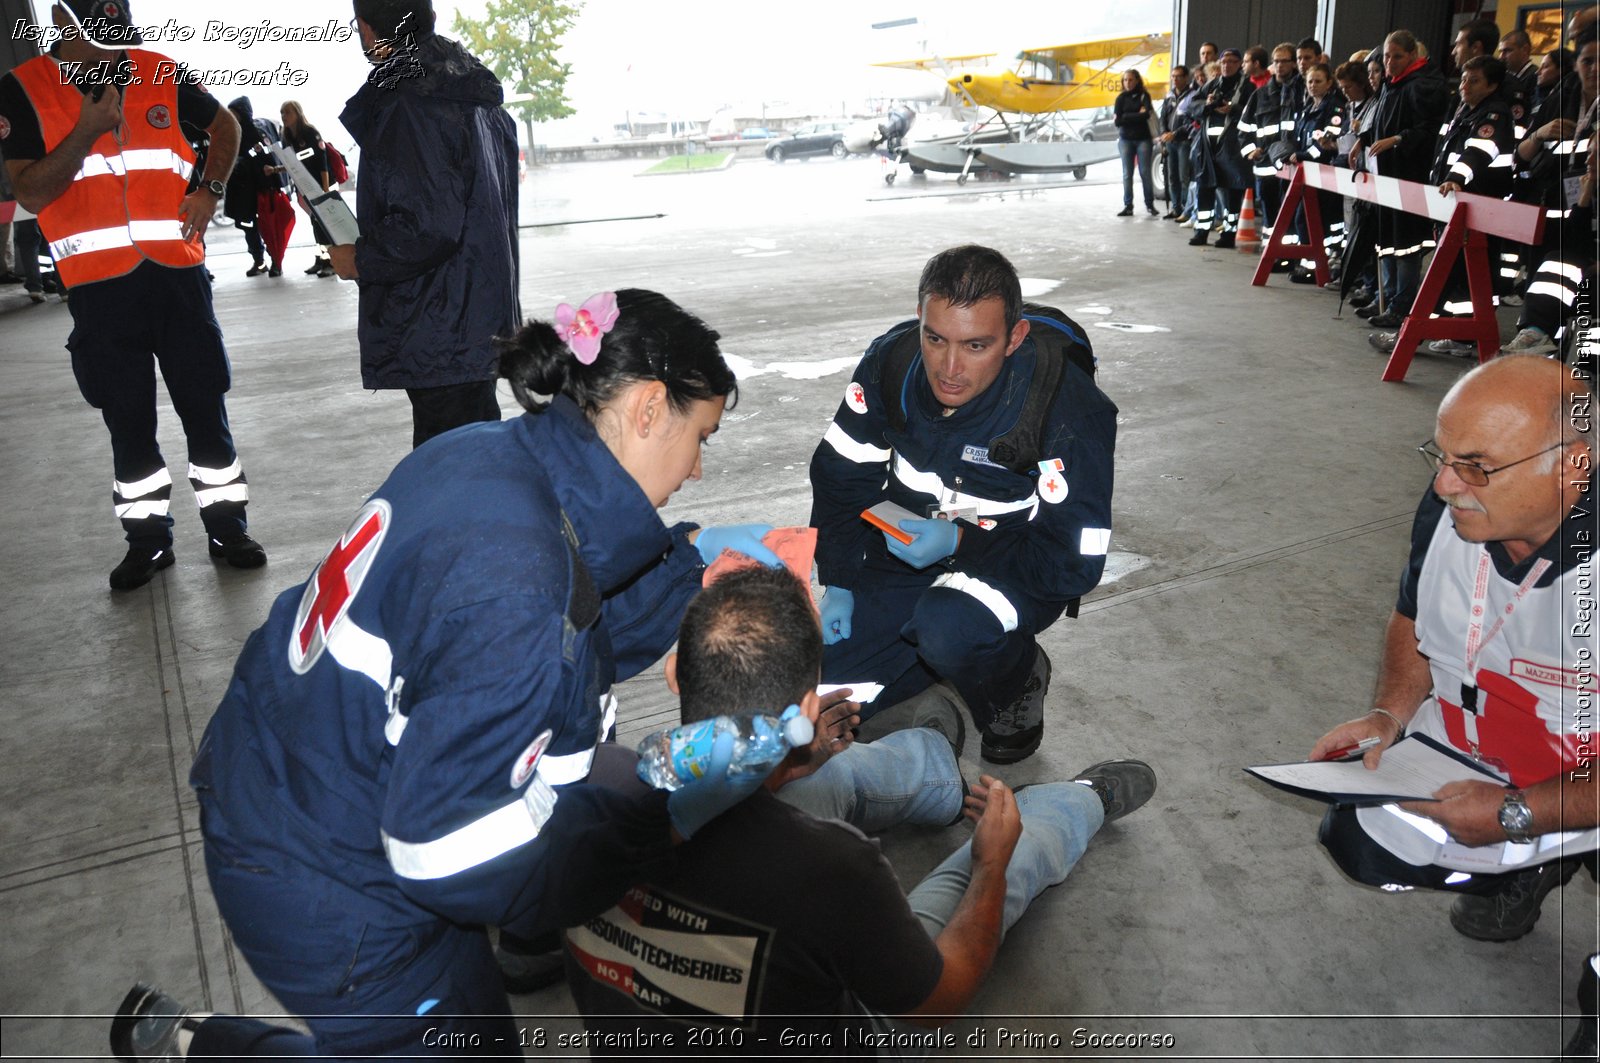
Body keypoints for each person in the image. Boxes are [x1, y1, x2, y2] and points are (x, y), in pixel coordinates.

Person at [106, 289, 797, 1060]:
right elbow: (453, 853)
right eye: (700, 436)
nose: (698, 469)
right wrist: (661, 820)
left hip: (281, 783)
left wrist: (695, 567)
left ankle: (182, 1038)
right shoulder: (520, 580)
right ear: (646, 408)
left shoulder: (487, 456)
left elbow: (557, 635)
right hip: (335, 886)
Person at [563, 565, 1157, 1049]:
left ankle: (934, 765)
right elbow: (937, 1004)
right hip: (860, 1022)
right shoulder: (831, 867)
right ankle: (1079, 801)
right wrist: (990, 868)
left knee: (830, 771)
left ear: (672, 674)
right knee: (1001, 849)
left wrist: (789, 763)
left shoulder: (589, 791)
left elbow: (690, 801)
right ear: (806, 703)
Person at [1309, 356, 1597, 1062]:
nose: (1443, 483)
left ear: (1573, 467)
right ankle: (1533, 862)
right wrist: (1389, 715)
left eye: (1474, 465)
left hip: (1577, 779)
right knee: (1361, 841)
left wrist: (1518, 811)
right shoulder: (1452, 502)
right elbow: (1412, 611)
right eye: (1441, 456)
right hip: (1493, 747)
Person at [808, 245, 1116, 764]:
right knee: (825, 696)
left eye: (976, 345)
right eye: (936, 338)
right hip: (902, 555)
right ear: (920, 322)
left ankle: (1016, 679)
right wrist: (838, 578)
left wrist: (961, 541)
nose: (950, 368)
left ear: (1014, 338)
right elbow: (841, 474)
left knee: (947, 631)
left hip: (1013, 567)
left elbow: (1072, 564)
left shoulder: (1067, 409)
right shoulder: (892, 363)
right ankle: (929, 686)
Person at [0, 0, 266, 591]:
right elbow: (33, 192)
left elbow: (227, 125)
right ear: (66, 25)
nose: (116, 55)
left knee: (205, 407)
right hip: (99, 291)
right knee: (128, 422)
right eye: (102, 41)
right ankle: (148, 543)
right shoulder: (23, 89)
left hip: (177, 277)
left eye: (121, 39)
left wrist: (210, 189)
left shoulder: (158, 68)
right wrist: (87, 130)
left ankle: (228, 529)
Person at [330, 0, 520, 450]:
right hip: (471, 316)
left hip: (436, 321)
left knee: (452, 476)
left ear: (368, 28)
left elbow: (428, 226)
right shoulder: (467, 85)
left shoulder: (409, 100)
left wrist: (359, 258)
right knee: (472, 457)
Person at [1367, 55, 1520, 356]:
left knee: (1449, 275)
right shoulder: (1464, 111)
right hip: (1453, 205)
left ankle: (1411, 335)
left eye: (1474, 80)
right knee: (1459, 277)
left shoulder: (1494, 116)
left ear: (1492, 85)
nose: (1464, 85)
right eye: (1463, 78)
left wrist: (1454, 178)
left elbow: (1479, 151)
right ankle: (1461, 336)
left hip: (1477, 205)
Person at [1501, 29, 1598, 358]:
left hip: (1585, 223)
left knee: (1575, 283)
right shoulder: (1561, 97)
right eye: (1587, 60)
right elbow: (1521, 155)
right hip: (1564, 214)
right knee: (1551, 271)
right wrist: (1541, 134)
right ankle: (1538, 336)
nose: (1594, 68)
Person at [1351, 30, 1451, 330]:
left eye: (1397, 57)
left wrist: (1398, 139)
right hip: (1386, 178)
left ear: (1412, 57)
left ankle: (1402, 305)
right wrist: (1364, 139)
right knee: (1387, 241)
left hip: (1410, 177)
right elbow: (1383, 120)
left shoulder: (1425, 86)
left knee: (1407, 245)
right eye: (1386, 57)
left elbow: (1430, 129)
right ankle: (1387, 296)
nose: (1390, 63)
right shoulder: (1391, 86)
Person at [1285, 61, 1347, 282]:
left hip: (1326, 173)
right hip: (1308, 174)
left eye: (1318, 81)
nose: (1313, 85)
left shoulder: (1335, 108)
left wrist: (1303, 156)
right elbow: (1299, 139)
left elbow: (1327, 141)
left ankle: (1320, 266)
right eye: (1310, 81)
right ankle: (1310, 265)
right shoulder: (1308, 108)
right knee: (1304, 220)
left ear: (1329, 83)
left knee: (1319, 221)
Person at [1239, 43, 1305, 243]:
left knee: (1291, 213)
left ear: (1293, 64)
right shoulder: (1259, 95)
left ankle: (1289, 254)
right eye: (1276, 61)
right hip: (1265, 167)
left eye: (1284, 61)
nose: (1280, 65)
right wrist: (1250, 151)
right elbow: (1244, 128)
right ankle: (1272, 251)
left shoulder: (1301, 93)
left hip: (1290, 165)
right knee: (1270, 215)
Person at [1190, 48, 1255, 248]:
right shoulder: (1212, 85)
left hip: (1232, 147)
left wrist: (1234, 109)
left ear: (1239, 65)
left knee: (1233, 192)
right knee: (1205, 189)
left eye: (1232, 62)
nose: (1227, 65)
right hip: (1208, 148)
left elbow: (1253, 112)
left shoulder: (1247, 87)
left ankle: (1229, 234)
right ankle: (1201, 231)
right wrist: (1208, 105)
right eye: (1224, 61)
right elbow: (1192, 106)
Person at [222, 97, 281, 278]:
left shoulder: (254, 134)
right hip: (241, 191)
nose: (232, 116)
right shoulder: (231, 132)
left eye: (235, 113)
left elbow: (265, 161)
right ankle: (259, 260)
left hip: (257, 190)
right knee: (249, 227)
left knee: (267, 227)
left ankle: (275, 262)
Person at [274, 100, 333, 278]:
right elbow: (292, 163)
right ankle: (321, 259)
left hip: (318, 186)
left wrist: (325, 190)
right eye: (282, 113)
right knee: (316, 224)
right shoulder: (286, 136)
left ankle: (331, 263)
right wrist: (276, 169)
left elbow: (323, 163)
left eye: (288, 112)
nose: (284, 116)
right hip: (303, 188)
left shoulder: (310, 132)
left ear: (298, 113)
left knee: (324, 226)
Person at [1113, 69, 1158, 217]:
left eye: (1131, 80)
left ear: (1137, 80)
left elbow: (1146, 115)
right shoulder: (1120, 98)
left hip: (1143, 139)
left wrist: (1126, 116)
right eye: (1125, 80)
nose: (1128, 83)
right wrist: (1135, 115)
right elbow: (1117, 121)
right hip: (1125, 139)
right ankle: (1128, 205)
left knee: (1145, 172)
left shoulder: (1144, 96)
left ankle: (1150, 204)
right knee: (1127, 174)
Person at [1159, 64, 1196, 220]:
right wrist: (1164, 133)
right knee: (1171, 176)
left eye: (1178, 76)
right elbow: (1163, 117)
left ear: (1186, 78)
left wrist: (1175, 133)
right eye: (1173, 76)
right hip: (1169, 142)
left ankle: (1186, 209)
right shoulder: (1169, 96)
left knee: (1184, 176)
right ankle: (1176, 208)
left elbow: (1192, 121)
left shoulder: (1192, 95)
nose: (1175, 79)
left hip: (1183, 141)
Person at [1499, 29, 1539, 99]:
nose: (1501, 56)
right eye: (1500, 52)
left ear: (1525, 49)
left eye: (1507, 51)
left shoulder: (1535, 77)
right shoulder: (1504, 76)